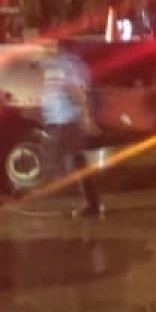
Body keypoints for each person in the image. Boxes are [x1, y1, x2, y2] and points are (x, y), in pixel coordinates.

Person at [42, 42, 103, 217]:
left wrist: (86, 117)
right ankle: (91, 202)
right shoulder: (60, 64)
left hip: (67, 119)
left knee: (59, 159)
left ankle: (88, 203)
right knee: (75, 160)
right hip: (60, 118)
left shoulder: (68, 64)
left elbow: (78, 92)